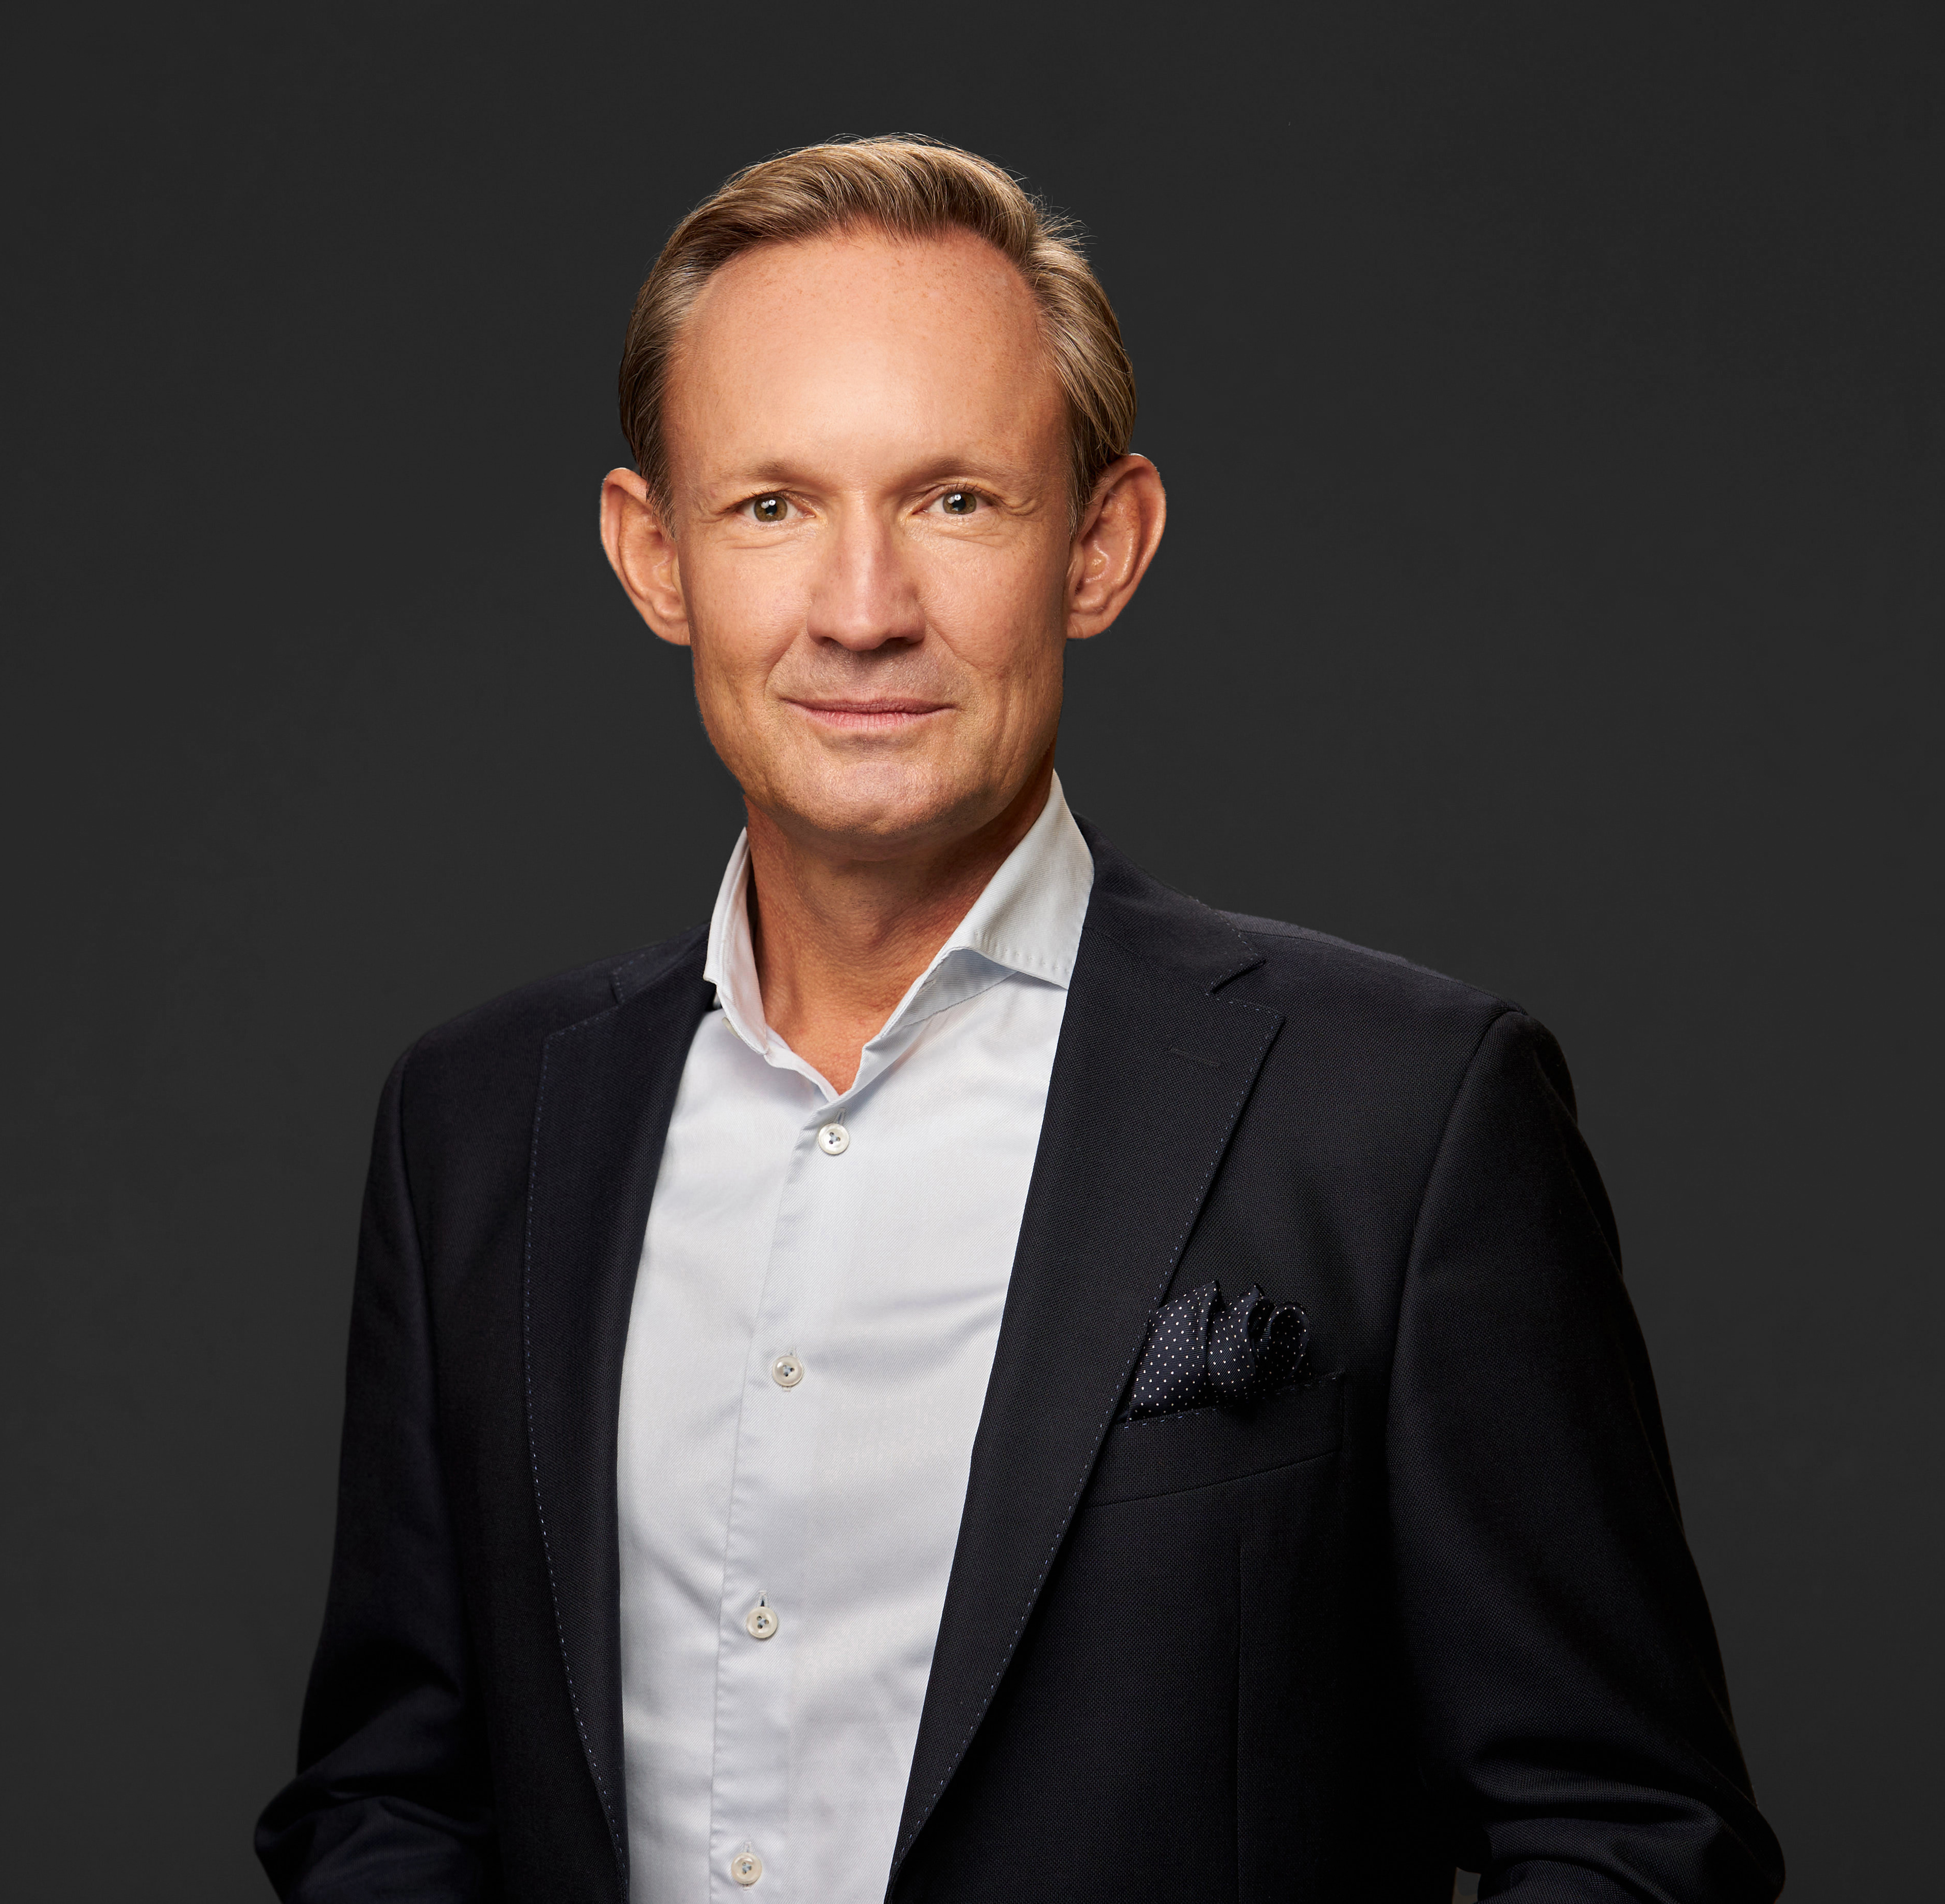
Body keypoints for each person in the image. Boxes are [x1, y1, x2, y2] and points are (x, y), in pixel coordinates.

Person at [255, 136, 1782, 1903]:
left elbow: (1630, 1836)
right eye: (772, 508)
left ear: (1101, 545)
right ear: (654, 556)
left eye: (956, 501)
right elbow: (392, 1802)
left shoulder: (1404, 1119)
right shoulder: (476, 1130)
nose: (863, 611)